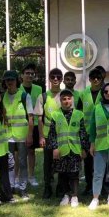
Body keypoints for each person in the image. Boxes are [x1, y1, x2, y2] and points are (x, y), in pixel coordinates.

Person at [47, 89, 89, 208]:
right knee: (63, 173)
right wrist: (54, 148)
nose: (66, 101)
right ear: (60, 100)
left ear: (72, 99)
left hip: (75, 149)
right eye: (64, 99)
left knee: (74, 173)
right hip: (61, 150)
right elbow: (52, 134)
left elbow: (82, 133)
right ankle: (66, 195)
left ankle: (75, 196)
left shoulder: (79, 114)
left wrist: (84, 148)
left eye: (69, 98)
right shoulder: (55, 115)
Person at [2, 70, 34, 200]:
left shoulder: (24, 96)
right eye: (7, 80)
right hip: (8, 136)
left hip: (22, 135)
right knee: (9, 163)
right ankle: (10, 187)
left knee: (22, 163)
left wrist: (30, 135)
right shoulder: (2, 96)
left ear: (16, 81)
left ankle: (22, 188)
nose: (10, 82)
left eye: (12, 80)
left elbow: (30, 117)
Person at [77, 68, 103, 195]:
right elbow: (78, 112)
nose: (96, 80)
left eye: (98, 78)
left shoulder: (105, 92)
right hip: (86, 133)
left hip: (101, 133)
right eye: (93, 78)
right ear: (90, 79)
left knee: (101, 161)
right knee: (87, 161)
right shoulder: (83, 93)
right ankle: (88, 185)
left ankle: (101, 185)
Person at [20, 63, 43, 187]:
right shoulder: (18, 89)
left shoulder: (39, 89)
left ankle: (31, 176)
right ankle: (19, 177)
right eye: (27, 73)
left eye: (32, 73)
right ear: (22, 75)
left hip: (34, 124)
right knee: (19, 153)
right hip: (21, 125)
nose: (29, 75)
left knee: (31, 151)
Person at [41, 69, 63, 199]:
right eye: (53, 77)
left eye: (58, 77)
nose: (55, 79)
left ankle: (60, 187)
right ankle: (47, 187)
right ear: (49, 79)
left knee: (61, 162)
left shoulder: (65, 95)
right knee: (48, 163)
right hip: (48, 136)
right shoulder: (44, 96)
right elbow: (40, 118)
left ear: (61, 80)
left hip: (62, 136)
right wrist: (41, 136)